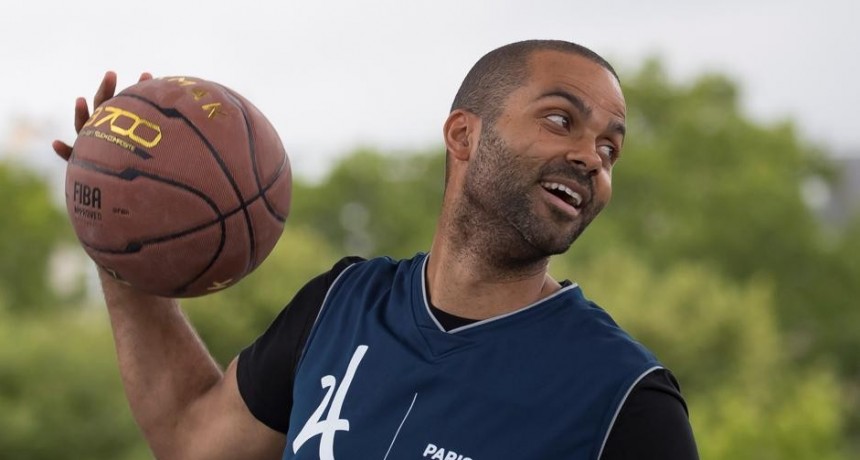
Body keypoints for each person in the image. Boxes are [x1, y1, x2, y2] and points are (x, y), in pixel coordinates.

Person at [53, 40, 699, 459]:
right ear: (463, 135)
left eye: (610, 150)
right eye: (562, 120)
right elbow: (195, 440)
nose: (591, 158)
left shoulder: (624, 401)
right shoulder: (338, 306)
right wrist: (123, 240)